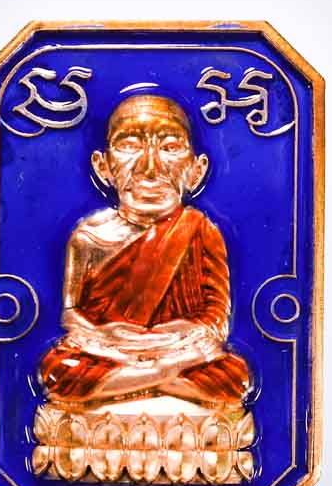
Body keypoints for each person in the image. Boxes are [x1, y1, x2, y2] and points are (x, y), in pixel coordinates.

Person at [38, 94, 250, 411]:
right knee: (58, 370)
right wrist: (109, 337)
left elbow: (216, 321)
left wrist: (174, 338)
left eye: (170, 147)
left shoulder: (200, 230)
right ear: (103, 166)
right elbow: (71, 315)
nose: (150, 167)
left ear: (196, 170)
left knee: (235, 376)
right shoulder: (88, 236)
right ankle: (161, 378)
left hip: (179, 351)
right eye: (129, 145)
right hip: (110, 350)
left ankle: (134, 382)